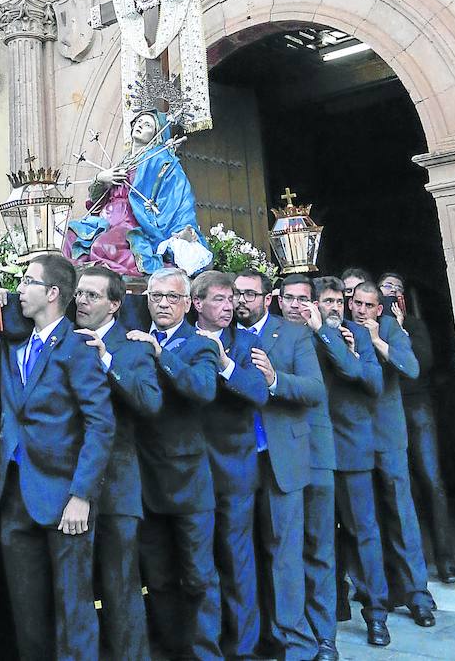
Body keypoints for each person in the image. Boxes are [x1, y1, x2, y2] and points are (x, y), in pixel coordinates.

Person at [0, 254, 115, 661]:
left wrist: (82, 495)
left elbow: (101, 425)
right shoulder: (11, 343)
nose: (18, 290)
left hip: (64, 497)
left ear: (53, 293)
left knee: (73, 605)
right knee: (27, 608)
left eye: (27, 282)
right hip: (14, 494)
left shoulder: (77, 346)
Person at [129, 267, 223, 659]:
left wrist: (160, 353)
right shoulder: (133, 339)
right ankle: (172, 649)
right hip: (145, 480)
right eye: (156, 296)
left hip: (188, 482)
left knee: (199, 576)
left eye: (171, 297)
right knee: (160, 577)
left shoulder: (198, 344)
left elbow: (202, 389)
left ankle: (205, 655)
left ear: (187, 304)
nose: (162, 303)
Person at [233, 268, 324, 661]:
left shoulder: (293, 334)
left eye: (250, 295)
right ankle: (258, 641)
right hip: (236, 461)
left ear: (267, 298)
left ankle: (297, 644)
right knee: (245, 554)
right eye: (236, 294)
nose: (242, 302)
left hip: (279, 458)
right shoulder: (226, 335)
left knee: (284, 554)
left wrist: (274, 380)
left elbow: (315, 390)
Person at [73, 266, 162, 660]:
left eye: (92, 296)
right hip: (69, 481)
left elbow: (149, 402)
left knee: (120, 585)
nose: (82, 302)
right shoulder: (65, 341)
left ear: (114, 305)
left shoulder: (132, 346)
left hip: (117, 485)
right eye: (79, 294)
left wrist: (108, 359)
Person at [348, 281, 436, 628]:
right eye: (355, 303)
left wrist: (378, 342)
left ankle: (418, 596)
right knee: (363, 522)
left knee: (401, 515)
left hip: (388, 434)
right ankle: (376, 602)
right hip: (353, 437)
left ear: (378, 308)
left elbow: (411, 368)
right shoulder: (337, 328)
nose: (361, 310)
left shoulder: (389, 329)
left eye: (368, 305)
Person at [192, 270, 268, 660]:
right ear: (197, 303)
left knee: (239, 563)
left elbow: (259, 391)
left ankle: (244, 648)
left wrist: (225, 365)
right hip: (192, 470)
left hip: (235, 469)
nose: (230, 306)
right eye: (220, 299)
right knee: (200, 565)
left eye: (233, 298)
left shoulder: (246, 342)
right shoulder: (181, 340)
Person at [311, 277, 390, 648]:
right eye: (326, 302)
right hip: (315, 454)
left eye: (338, 302)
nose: (335, 309)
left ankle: (376, 615)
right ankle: (327, 625)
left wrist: (347, 350)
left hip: (352, 450)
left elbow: (369, 382)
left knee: (364, 533)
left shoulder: (356, 336)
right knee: (321, 541)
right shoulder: (303, 338)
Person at [378, 272, 455, 585]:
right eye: (385, 287)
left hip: (417, 405)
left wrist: (400, 329)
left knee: (431, 479)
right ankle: (411, 563)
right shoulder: (372, 326)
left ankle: (445, 560)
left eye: (396, 289)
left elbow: (421, 363)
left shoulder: (413, 324)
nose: (390, 293)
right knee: (399, 486)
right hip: (387, 407)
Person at [63, 109, 210, 276]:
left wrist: (181, 231)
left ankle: (107, 280)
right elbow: (96, 201)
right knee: (72, 234)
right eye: (139, 121)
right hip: (105, 220)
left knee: (103, 245)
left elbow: (176, 198)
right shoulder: (123, 162)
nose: (140, 125)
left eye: (148, 124)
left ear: (157, 135)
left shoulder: (161, 161)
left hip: (133, 221)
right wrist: (101, 178)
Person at [276, 274, 339, 661]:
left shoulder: (329, 335)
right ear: (277, 301)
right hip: (282, 456)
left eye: (304, 299)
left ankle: (325, 635)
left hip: (318, 455)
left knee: (320, 548)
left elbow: (349, 373)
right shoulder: (270, 336)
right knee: (286, 551)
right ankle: (294, 636)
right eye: (290, 298)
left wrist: (323, 331)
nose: (297, 305)